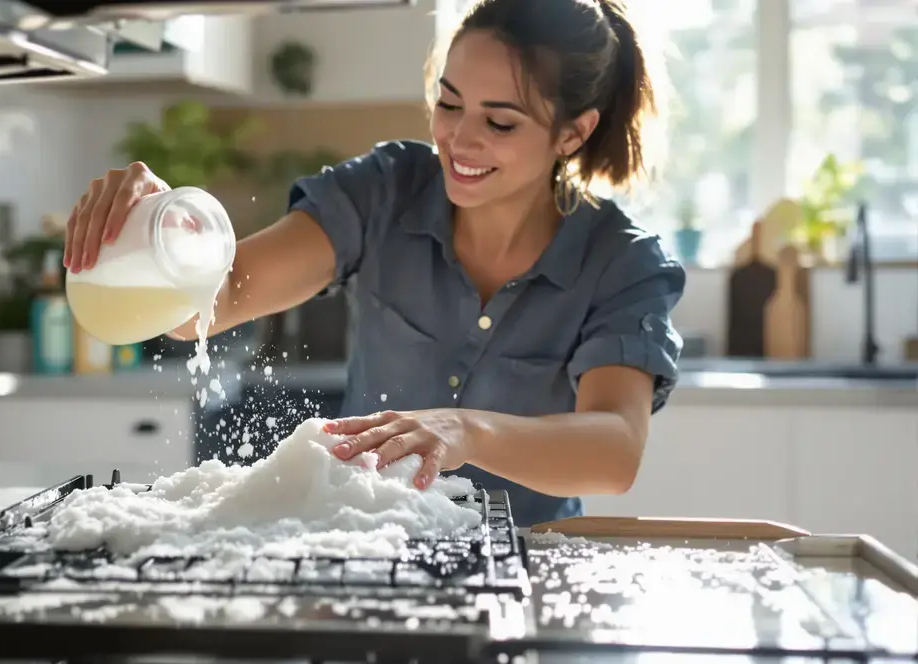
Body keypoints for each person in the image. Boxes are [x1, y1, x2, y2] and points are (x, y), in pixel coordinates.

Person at [62, 0, 685, 527]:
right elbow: (221, 299)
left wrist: (464, 430)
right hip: (365, 557)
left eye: (499, 122)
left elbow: (615, 451)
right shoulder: (385, 190)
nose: (460, 141)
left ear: (573, 134)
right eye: (449, 105)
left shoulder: (621, 262)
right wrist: (157, 232)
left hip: (533, 580)